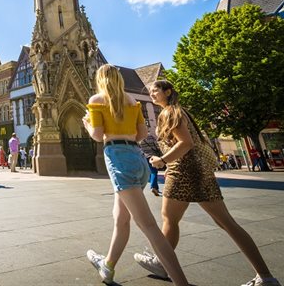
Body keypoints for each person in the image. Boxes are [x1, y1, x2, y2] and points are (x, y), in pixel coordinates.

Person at [134, 80, 281, 286]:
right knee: (225, 222)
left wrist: (163, 160)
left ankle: (161, 262)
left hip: (184, 173)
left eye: (155, 90)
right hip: (199, 170)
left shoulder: (169, 112)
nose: (151, 94)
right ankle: (265, 276)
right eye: (150, 91)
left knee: (170, 219)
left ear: (168, 92)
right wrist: (170, 164)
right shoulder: (180, 111)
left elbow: (186, 143)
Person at [82, 64, 189, 286]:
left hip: (119, 159)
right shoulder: (131, 101)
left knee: (148, 225)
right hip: (137, 159)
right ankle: (107, 266)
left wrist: (88, 124)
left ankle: (181, 282)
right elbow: (142, 134)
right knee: (121, 218)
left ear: (100, 79)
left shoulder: (97, 100)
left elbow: (98, 135)